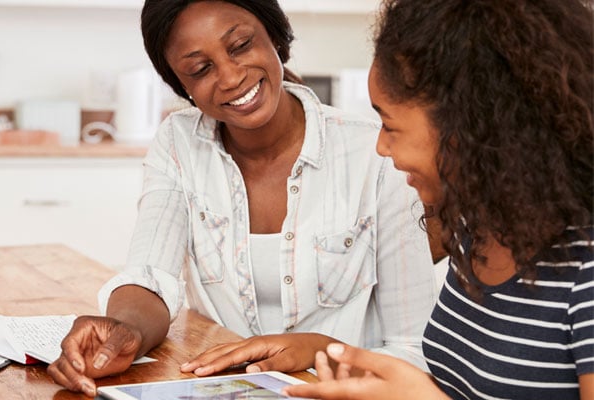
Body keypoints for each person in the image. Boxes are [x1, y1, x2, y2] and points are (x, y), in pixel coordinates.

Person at [48, 0, 438, 396]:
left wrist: (317, 352)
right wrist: (125, 330)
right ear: (182, 86)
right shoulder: (178, 142)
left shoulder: (375, 151)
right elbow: (152, 275)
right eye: (200, 69)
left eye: (240, 45)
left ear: (275, 37)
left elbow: (414, 351)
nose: (231, 77)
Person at [283, 0, 594, 399]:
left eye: (389, 126)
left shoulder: (584, 268)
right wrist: (346, 362)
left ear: (469, 126)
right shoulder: (477, 227)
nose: (380, 146)